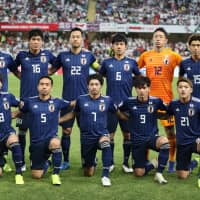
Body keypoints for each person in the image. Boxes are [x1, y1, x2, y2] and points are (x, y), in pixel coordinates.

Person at [51, 27, 99, 170]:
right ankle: (65, 161)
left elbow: (99, 69)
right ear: (70, 39)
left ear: (82, 40)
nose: (75, 39)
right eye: (73, 36)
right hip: (67, 100)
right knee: (67, 131)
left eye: (78, 36)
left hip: (86, 101)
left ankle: (89, 157)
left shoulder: (89, 56)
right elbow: (51, 71)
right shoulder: (62, 56)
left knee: (88, 130)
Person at [137, 27, 182, 172]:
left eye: (161, 36)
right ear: (152, 39)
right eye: (156, 36)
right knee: (145, 133)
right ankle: (144, 161)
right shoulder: (145, 55)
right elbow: (134, 70)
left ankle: (171, 161)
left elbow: (186, 66)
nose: (158, 39)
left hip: (166, 101)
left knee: (170, 133)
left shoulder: (173, 55)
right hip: (148, 102)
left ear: (166, 40)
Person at [59, 74, 116, 186]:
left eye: (96, 84)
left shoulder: (108, 100)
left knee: (105, 143)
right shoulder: (81, 99)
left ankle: (105, 176)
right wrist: (58, 120)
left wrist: (129, 119)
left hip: (101, 134)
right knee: (88, 172)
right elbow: (73, 114)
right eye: (91, 84)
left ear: (101, 86)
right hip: (86, 138)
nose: (94, 87)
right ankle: (92, 161)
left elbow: (117, 113)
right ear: (88, 86)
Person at [12, 29, 56, 171]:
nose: (35, 42)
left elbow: (55, 66)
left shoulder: (47, 55)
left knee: (37, 133)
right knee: (22, 131)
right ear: (28, 41)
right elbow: (14, 69)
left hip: (41, 102)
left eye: (38, 39)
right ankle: (22, 160)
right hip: (25, 101)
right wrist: (22, 77)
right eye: (33, 39)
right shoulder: (21, 55)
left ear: (42, 41)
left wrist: (47, 75)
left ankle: (34, 158)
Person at [19, 76, 73, 185]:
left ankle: (55, 174)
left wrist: (60, 120)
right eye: (42, 84)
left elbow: (72, 108)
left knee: (56, 142)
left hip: (50, 139)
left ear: (51, 87)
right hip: (35, 143)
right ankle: (46, 163)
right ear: (38, 86)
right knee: (36, 176)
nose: (44, 87)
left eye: (47, 84)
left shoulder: (57, 102)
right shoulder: (29, 102)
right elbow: (19, 112)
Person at [99, 33, 140, 173]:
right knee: (110, 135)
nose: (119, 46)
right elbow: (101, 77)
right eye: (116, 44)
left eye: (121, 44)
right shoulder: (106, 62)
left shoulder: (132, 63)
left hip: (127, 105)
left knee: (127, 135)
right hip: (110, 105)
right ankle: (110, 163)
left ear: (126, 46)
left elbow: (139, 80)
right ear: (112, 46)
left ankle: (125, 163)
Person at [118, 76, 169, 184]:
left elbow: (169, 110)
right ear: (135, 89)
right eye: (139, 88)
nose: (142, 91)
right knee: (139, 173)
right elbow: (118, 110)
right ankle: (153, 164)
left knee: (164, 142)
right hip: (137, 140)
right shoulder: (129, 101)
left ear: (149, 88)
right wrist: (125, 117)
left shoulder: (156, 101)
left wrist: (161, 115)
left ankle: (159, 173)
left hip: (152, 137)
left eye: (144, 88)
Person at [167, 78, 200, 186]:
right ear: (177, 89)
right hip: (182, 143)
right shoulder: (173, 104)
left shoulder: (198, 104)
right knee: (182, 175)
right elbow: (166, 114)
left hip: (196, 140)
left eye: (186, 87)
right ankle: (194, 163)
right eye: (180, 87)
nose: (183, 90)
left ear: (191, 89)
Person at [0, 73, 24, 184]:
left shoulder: (7, 96)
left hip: (6, 132)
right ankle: (2, 162)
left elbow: (22, 105)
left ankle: (19, 173)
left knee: (14, 142)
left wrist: (15, 113)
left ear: (1, 83)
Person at [0, 49, 17, 172]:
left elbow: (16, 71)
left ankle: (4, 160)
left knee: (5, 127)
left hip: (3, 97)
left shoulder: (6, 57)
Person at [179, 34, 200, 98]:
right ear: (189, 47)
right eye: (193, 45)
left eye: (198, 45)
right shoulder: (184, 63)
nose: (196, 48)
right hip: (191, 101)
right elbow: (180, 82)